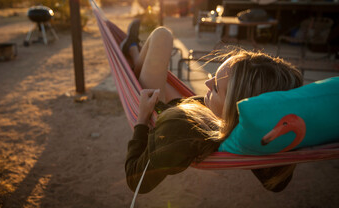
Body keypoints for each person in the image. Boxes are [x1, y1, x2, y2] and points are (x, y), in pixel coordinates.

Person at [122, 20, 303, 194]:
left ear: (234, 112)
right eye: (213, 76)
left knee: (162, 35)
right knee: (162, 38)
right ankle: (133, 52)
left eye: (215, 87)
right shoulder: (254, 132)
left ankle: (132, 52)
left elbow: (135, 180)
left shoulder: (178, 135)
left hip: (156, 107)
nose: (207, 82)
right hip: (193, 108)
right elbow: (276, 183)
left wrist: (142, 121)